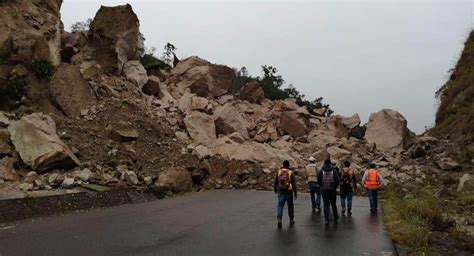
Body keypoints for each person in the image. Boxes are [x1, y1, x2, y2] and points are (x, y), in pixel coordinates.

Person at [274, 160, 297, 228]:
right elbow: (294, 184)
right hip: (289, 191)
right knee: (290, 206)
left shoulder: (279, 171)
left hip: (280, 191)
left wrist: (275, 189)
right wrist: (295, 192)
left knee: (280, 205)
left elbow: (275, 181)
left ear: (283, 165)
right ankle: (291, 219)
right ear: (288, 165)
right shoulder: (290, 172)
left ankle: (279, 219)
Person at [317, 159, 340, 226]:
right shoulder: (334, 171)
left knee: (326, 205)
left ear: (324, 163)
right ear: (330, 164)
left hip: (324, 190)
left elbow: (318, 179)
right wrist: (334, 187)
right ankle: (335, 217)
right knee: (333, 204)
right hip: (332, 190)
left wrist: (322, 186)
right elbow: (337, 180)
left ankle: (326, 220)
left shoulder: (321, 171)